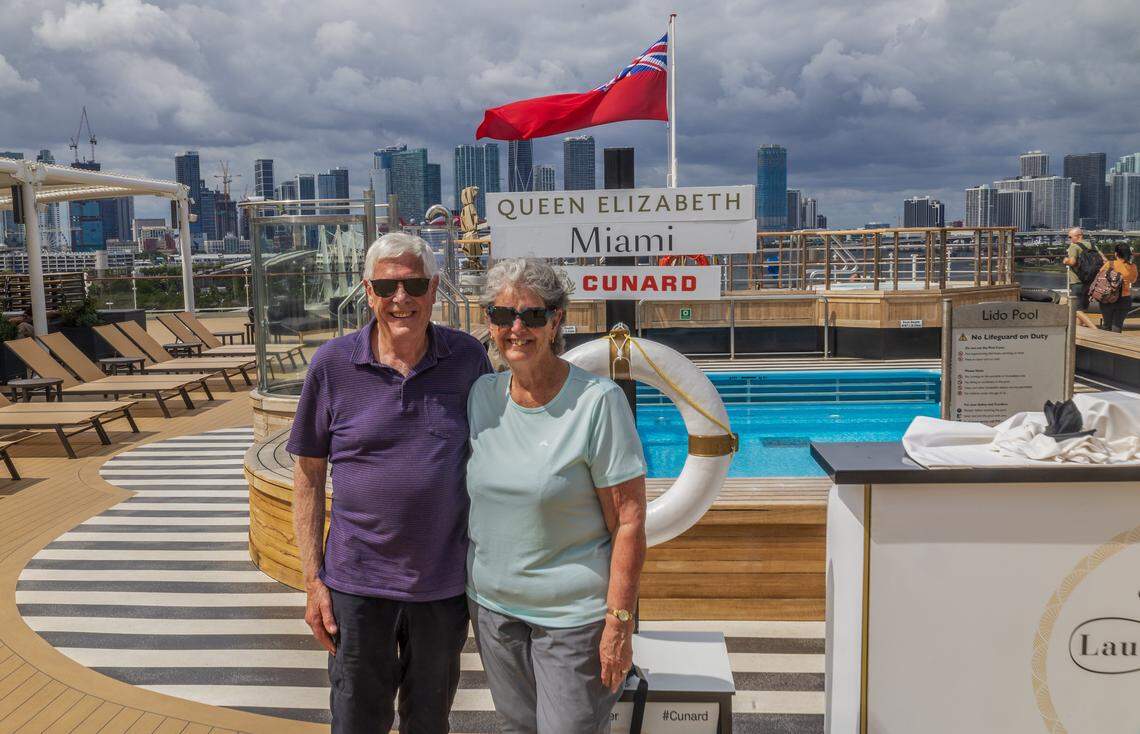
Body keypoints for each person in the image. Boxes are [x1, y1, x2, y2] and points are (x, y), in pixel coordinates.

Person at [287, 232, 492, 733]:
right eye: (387, 286)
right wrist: (313, 582)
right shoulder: (332, 365)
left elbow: (496, 458)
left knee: (429, 721)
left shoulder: (467, 360)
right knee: (357, 720)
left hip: (442, 587)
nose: (401, 299)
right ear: (368, 291)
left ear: (435, 289)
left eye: (414, 284)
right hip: (355, 587)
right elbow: (309, 476)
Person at [465, 258, 648, 734]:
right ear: (490, 323)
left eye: (533, 315)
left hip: (574, 621)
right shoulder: (482, 396)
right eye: (503, 316)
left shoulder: (598, 402)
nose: (517, 328)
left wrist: (619, 622)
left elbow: (628, 521)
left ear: (556, 322)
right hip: (493, 610)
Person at [1097, 243, 1137, 333]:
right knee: (1117, 326)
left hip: (1107, 298)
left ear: (1116, 254)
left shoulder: (1109, 264)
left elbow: (1100, 276)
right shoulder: (1132, 267)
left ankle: (1105, 345)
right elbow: (1133, 280)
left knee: (1107, 325)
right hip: (1124, 298)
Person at [1062, 227, 1099, 313]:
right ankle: (1083, 325)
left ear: (1079, 236)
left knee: (1077, 310)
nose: (1069, 239)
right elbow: (1103, 260)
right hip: (1091, 280)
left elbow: (1072, 262)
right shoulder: (1093, 246)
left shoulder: (1074, 246)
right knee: (1084, 307)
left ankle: (1081, 326)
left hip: (1077, 280)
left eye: (1070, 237)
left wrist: (1065, 261)